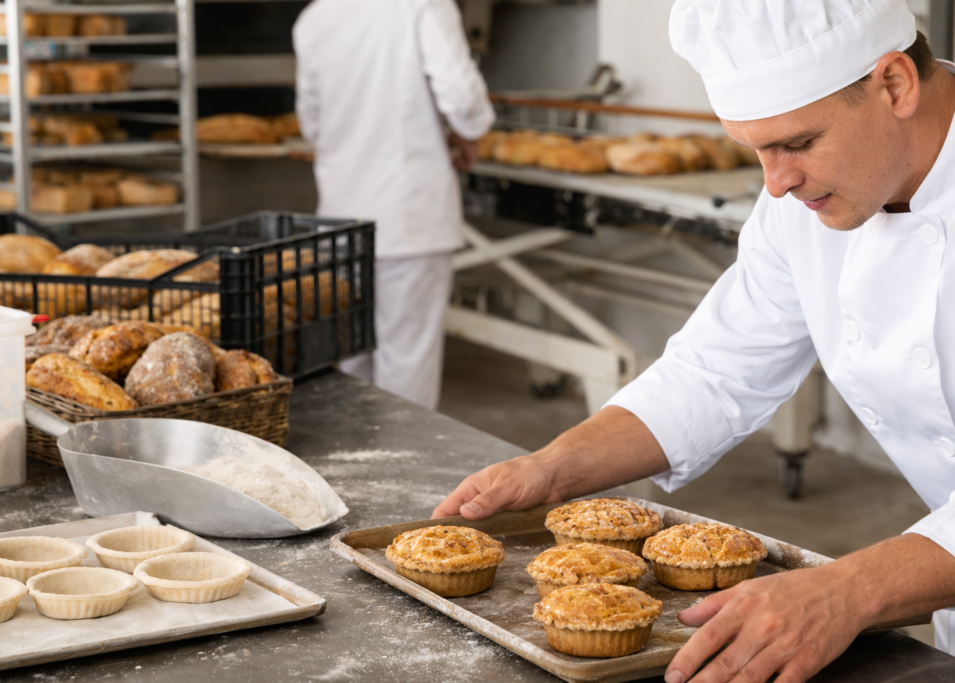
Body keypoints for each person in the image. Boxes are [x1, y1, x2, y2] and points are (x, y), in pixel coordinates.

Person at [433, 1, 955, 681]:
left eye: (798, 144)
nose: (776, 184)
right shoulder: (801, 202)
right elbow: (716, 370)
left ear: (894, 85)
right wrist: (553, 468)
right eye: (756, 150)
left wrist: (849, 591)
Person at [293, 0, 494, 410]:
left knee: (353, 359)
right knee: (406, 364)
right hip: (407, 218)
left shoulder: (315, 18)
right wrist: (468, 133)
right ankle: (404, 452)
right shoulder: (423, 5)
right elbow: (462, 96)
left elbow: (311, 124)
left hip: (340, 222)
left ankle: (358, 449)